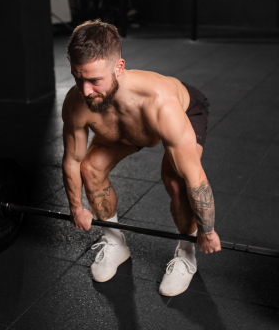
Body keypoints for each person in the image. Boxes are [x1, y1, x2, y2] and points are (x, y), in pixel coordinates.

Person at [61, 19, 221, 297]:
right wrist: (77, 208)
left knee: (175, 179)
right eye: (78, 77)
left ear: (119, 67)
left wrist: (207, 231)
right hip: (126, 127)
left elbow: (195, 177)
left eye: (94, 80)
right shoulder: (79, 102)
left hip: (178, 112)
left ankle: (186, 254)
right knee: (90, 167)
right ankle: (114, 242)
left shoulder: (161, 104)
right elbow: (73, 160)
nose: (85, 90)